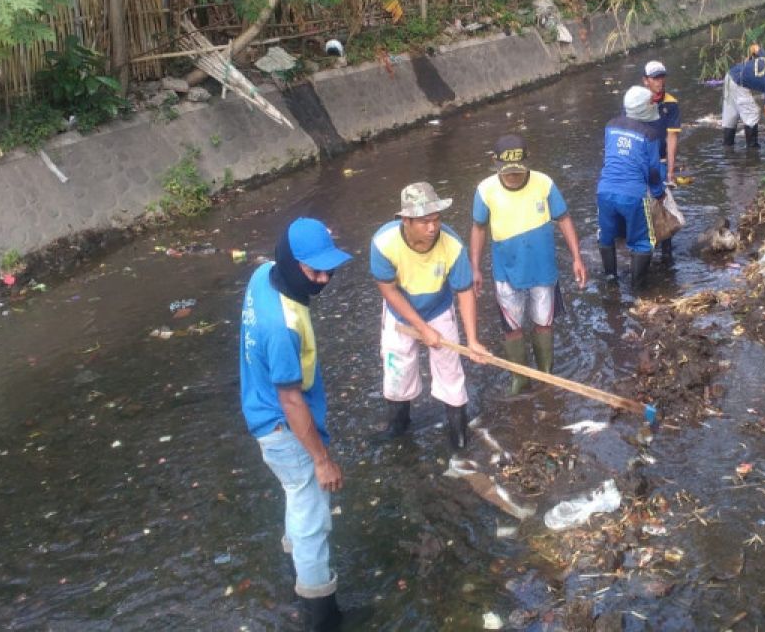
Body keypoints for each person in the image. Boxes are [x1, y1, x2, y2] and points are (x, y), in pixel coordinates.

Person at [239, 217, 353, 631]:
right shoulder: (283, 327)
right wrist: (322, 460)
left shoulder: (260, 277)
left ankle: (293, 559)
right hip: (284, 430)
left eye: (329, 269)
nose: (324, 279)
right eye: (313, 271)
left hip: (260, 413)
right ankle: (319, 609)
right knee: (313, 515)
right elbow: (291, 399)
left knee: (295, 492)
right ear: (289, 264)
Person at [370, 182, 490, 450]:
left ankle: (458, 436)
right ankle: (398, 427)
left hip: (438, 307)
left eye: (436, 220)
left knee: (451, 370)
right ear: (406, 220)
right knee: (398, 370)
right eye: (424, 222)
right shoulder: (383, 243)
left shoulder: (452, 245)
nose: (432, 227)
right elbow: (389, 292)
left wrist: (472, 340)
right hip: (400, 314)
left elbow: (465, 291)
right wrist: (421, 328)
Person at [470, 133, 588, 396]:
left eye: (519, 172)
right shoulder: (485, 190)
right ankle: (519, 378)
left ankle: (545, 373)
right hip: (506, 272)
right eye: (508, 173)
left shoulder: (544, 184)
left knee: (543, 322)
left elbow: (565, 219)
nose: (514, 177)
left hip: (543, 270)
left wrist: (577, 258)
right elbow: (478, 228)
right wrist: (475, 267)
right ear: (495, 163)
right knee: (512, 327)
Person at [597, 86, 667, 289]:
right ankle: (638, 290)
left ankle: (611, 282)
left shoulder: (610, 126)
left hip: (605, 191)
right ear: (645, 108)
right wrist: (658, 194)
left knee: (606, 236)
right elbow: (653, 171)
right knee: (643, 241)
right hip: (633, 196)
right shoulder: (650, 134)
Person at [643, 60, 681, 264]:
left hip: (661, 160)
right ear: (645, 81)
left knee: (664, 205)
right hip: (642, 161)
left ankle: (667, 253)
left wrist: (670, 171)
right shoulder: (637, 102)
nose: (659, 82)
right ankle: (645, 250)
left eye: (661, 77)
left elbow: (672, 138)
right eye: (655, 78)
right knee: (642, 206)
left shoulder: (670, 103)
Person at [722, 43, 765, 147]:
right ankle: (752, 150)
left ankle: (727, 147)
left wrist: (749, 59)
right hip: (738, 83)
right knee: (752, 112)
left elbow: (754, 47)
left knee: (731, 115)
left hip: (730, 76)